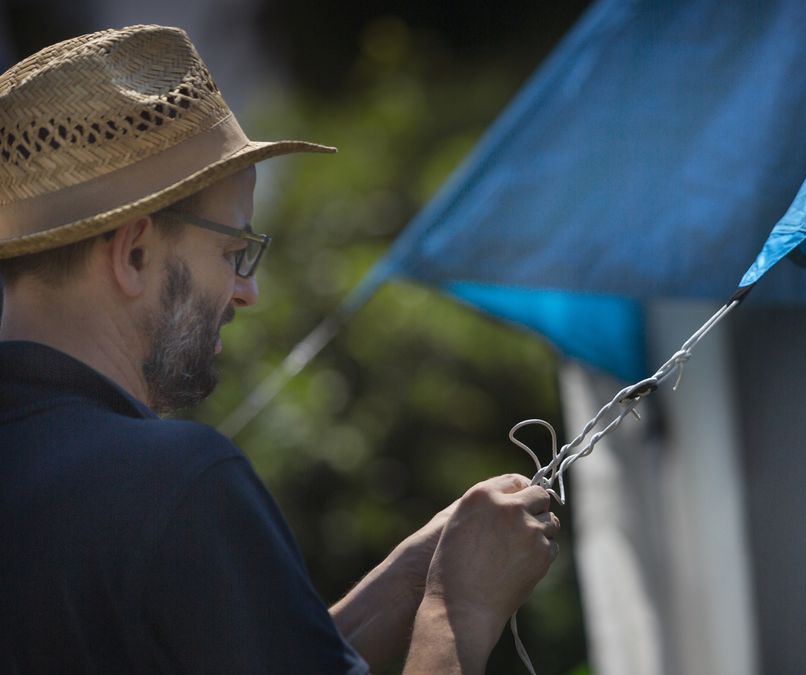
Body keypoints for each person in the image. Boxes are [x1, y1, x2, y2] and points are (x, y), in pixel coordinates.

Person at [0, 25, 559, 674]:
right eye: (234, 250)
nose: (249, 292)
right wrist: (458, 606)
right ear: (136, 252)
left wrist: (413, 576)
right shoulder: (178, 482)